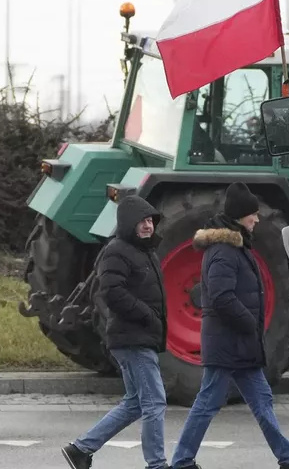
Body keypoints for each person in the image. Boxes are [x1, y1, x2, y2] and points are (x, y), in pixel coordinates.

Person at [170, 183, 289, 469]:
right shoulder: (224, 252)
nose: (257, 219)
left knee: (262, 399)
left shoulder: (236, 247)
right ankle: (181, 460)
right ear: (241, 216)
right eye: (252, 214)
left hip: (239, 344)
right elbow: (220, 297)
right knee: (208, 402)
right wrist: (248, 323)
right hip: (229, 343)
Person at [63, 195, 170, 469]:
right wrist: (147, 316)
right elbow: (112, 292)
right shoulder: (117, 250)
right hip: (131, 338)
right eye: (142, 221)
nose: (148, 226)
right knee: (154, 402)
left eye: (150, 221)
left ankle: (80, 449)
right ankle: (157, 464)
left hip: (140, 336)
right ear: (128, 224)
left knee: (135, 403)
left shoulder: (146, 251)